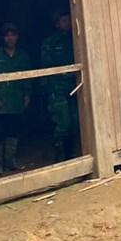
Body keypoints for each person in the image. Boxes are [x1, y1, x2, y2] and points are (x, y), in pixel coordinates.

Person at [0, 23, 32, 176]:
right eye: (7, 35)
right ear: (3, 38)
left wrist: (27, 94)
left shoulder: (23, 56)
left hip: (16, 101)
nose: (10, 38)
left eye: (13, 35)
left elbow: (27, 78)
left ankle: (10, 162)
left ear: (17, 37)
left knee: (14, 132)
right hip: (0, 103)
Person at [39, 13, 80, 161]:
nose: (67, 23)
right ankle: (60, 158)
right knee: (62, 123)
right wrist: (46, 89)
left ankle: (71, 155)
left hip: (74, 87)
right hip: (57, 88)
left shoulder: (76, 39)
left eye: (69, 20)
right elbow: (45, 66)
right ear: (57, 24)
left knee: (75, 122)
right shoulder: (50, 42)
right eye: (63, 21)